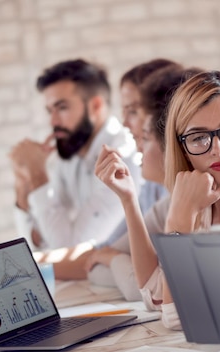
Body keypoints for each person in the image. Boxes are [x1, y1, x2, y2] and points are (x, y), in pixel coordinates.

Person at [96, 70, 220, 327]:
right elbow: (155, 294)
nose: (219, 148)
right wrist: (128, 199)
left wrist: (178, 223)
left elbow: (175, 317)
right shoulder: (200, 203)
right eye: (199, 138)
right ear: (183, 147)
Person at [34, 59, 176, 281]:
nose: (126, 123)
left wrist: (35, 177)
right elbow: (100, 253)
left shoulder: (123, 158)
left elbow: (145, 282)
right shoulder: (68, 158)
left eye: (134, 111)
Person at [87, 64, 199, 299]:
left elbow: (152, 294)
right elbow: (97, 265)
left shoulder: (198, 201)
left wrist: (114, 260)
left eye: (145, 138)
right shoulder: (164, 202)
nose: (137, 144)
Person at [10, 59, 141, 250]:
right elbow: (41, 242)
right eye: (50, 111)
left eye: (62, 108)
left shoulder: (122, 157)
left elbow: (70, 248)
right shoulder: (70, 156)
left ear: (96, 106)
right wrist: (23, 188)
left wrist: (37, 173)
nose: (53, 121)